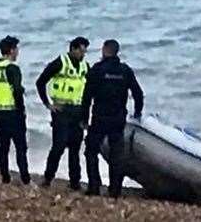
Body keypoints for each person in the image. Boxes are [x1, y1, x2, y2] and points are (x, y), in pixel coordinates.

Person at [82, 39, 144, 198]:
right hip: (118, 118)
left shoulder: (97, 69)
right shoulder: (125, 70)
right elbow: (138, 94)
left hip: (100, 117)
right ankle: (115, 190)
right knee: (116, 154)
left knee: (91, 151)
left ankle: (94, 187)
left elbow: (87, 96)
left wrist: (84, 119)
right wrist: (137, 113)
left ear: (104, 50)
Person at [36, 37, 90, 190]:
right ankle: (48, 178)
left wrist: (86, 117)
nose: (83, 54)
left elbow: (89, 92)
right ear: (72, 49)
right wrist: (48, 104)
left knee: (75, 148)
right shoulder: (60, 62)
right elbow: (41, 81)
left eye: (85, 51)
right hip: (62, 111)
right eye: (80, 50)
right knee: (58, 146)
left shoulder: (85, 67)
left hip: (77, 111)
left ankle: (75, 182)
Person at [0, 35, 31, 185]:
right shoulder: (12, 68)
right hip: (13, 112)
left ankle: (5, 177)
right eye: (16, 49)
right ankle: (25, 178)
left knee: (4, 146)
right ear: (12, 50)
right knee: (20, 147)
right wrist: (22, 110)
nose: (17, 52)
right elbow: (17, 90)